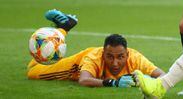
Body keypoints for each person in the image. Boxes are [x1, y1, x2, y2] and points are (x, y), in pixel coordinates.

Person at [27, 9, 164, 87]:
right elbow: (84, 80)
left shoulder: (135, 58)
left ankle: (64, 27)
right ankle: (63, 29)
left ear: (127, 54)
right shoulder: (94, 58)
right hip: (76, 66)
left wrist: (149, 82)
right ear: (103, 54)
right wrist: (113, 83)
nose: (115, 63)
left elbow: (163, 75)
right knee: (32, 71)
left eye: (120, 57)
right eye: (110, 57)